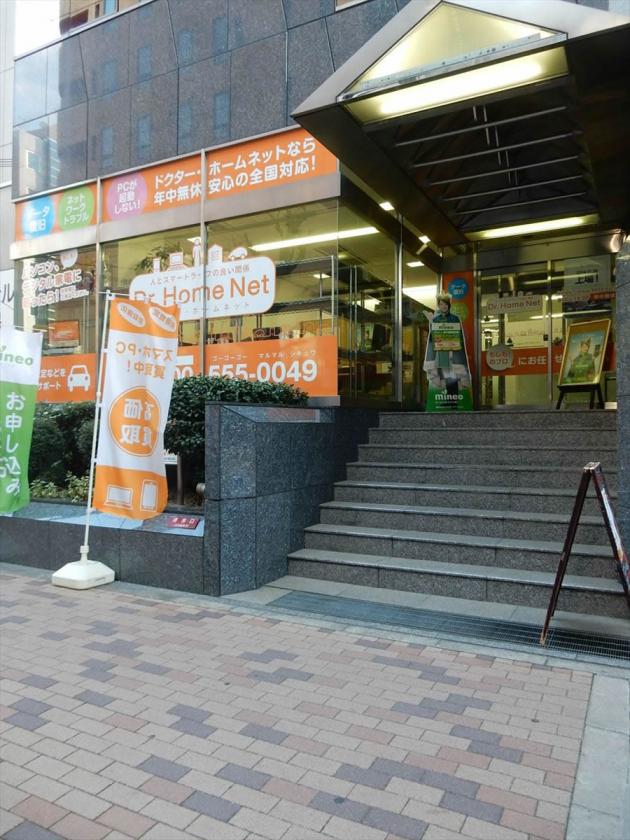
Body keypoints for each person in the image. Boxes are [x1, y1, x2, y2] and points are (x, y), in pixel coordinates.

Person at [423, 294, 470, 408]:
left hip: (453, 351)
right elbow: (433, 337)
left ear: (449, 305)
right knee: (445, 375)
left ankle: (453, 400)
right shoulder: (436, 319)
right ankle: (450, 399)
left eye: (445, 304)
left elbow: (459, 335)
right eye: (441, 304)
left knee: (454, 374)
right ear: (439, 305)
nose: (443, 306)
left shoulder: (454, 318)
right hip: (441, 351)